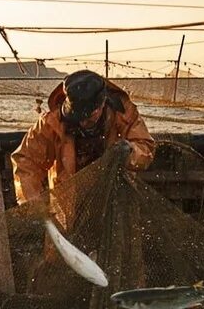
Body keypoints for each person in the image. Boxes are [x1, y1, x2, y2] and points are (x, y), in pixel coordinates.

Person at [11, 68, 155, 211]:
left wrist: (129, 151)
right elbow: (26, 161)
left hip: (115, 200)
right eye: (77, 117)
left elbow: (145, 149)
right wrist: (33, 205)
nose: (82, 122)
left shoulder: (124, 112)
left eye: (87, 118)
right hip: (68, 204)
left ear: (101, 106)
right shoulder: (52, 121)